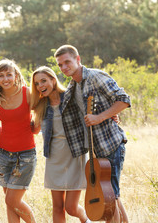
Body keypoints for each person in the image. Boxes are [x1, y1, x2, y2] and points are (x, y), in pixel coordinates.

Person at [54, 45, 130, 223]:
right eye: (60, 65)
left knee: (109, 197)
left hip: (110, 144)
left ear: (78, 59)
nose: (64, 67)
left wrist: (101, 117)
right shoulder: (73, 85)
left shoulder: (96, 76)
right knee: (114, 196)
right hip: (95, 148)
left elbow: (124, 99)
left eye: (67, 62)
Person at [30, 66, 90, 223]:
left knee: (71, 207)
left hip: (74, 153)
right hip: (54, 157)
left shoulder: (70, 96)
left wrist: (111, 116)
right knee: (57, 207)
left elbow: (89, 110)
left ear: (53, 80)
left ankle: (87, 220)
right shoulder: (41, 106)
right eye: (36, 83)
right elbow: (34, 130)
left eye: (44, 81)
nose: (40, 86)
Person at [0, 59, 37, 223]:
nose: (5, 79)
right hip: (3, 154)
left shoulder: (28, 93)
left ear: (16, 75)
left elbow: (41, 114)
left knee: (12, 200)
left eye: (9, 74)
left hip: (25, 155)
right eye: (1, 76)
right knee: (9, 201)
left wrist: (36, 125)